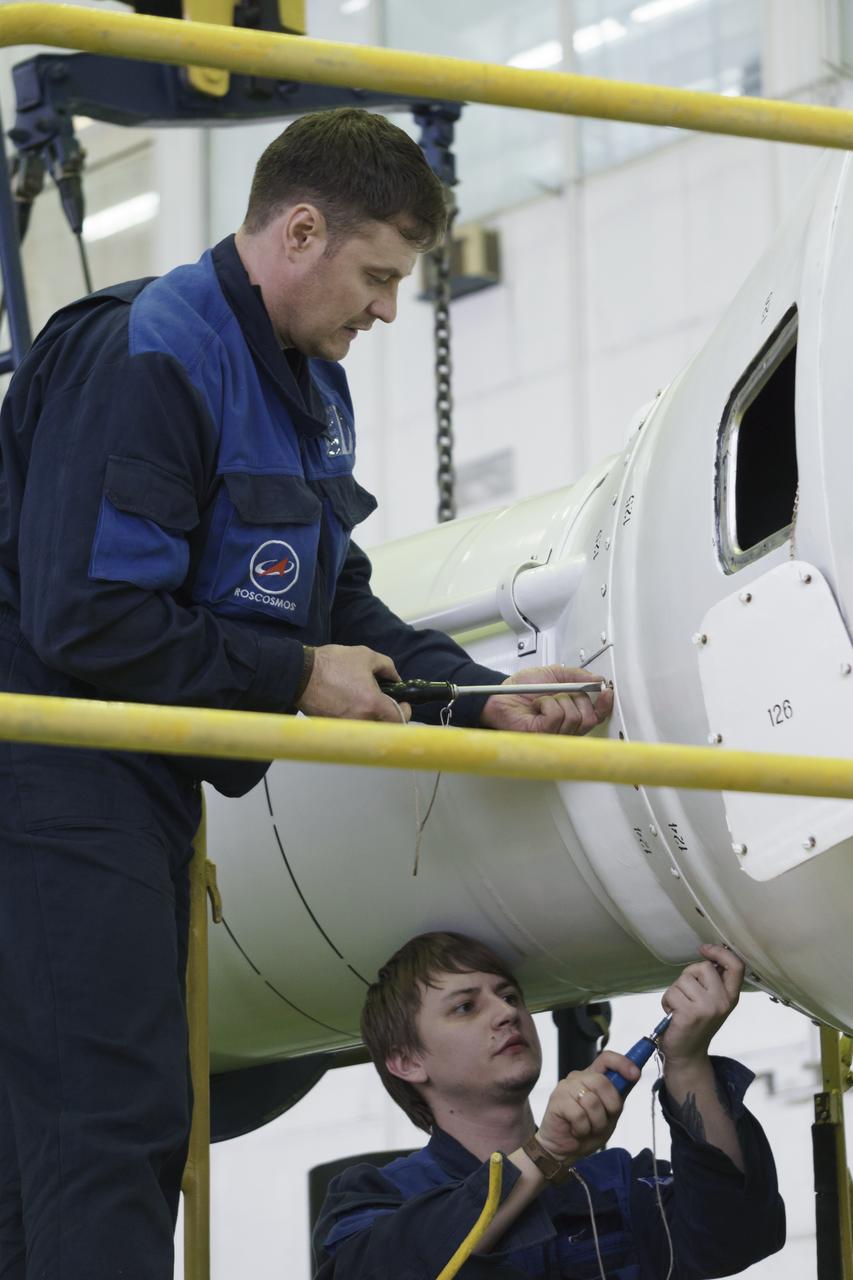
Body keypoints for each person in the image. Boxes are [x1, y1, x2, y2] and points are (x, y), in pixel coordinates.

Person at [0, 109, 612, 1279]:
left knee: (61, 1136)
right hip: (49, 770)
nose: (385, 310)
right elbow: (84, 615)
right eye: (376, 276)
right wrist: (290, 676)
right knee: (111, 1113)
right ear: (297, 232)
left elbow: (337, 602)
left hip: (134, 785)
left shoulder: (297, 391)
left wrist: (478, 697)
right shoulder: (147, 353)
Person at [314, 931, 786, 1279]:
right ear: (407, 1061)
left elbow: (737, 1237)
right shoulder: (373, 1197)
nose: (506, 1012)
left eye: (509, 996)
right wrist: (546, 1153)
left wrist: (686, 1061)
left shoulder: (616, 1182)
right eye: (465, 1007)